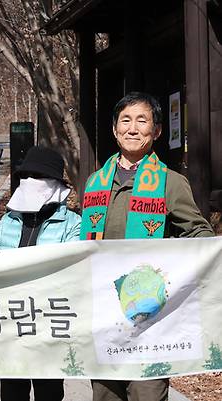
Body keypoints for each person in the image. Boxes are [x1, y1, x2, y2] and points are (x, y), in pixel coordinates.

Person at [82, 92, 214, 401]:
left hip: (151, 317)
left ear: (156, 132)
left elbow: (198, 232)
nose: (132, 128)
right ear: (114, 130)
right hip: (104, 315)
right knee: (105, 395)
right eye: (125, 121)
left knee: (148, 395)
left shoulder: (170, 182)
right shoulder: (94, 183)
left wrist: (178, 259)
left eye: (142, 121)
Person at [0, 146, 81, 401]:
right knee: (12, 391)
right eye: (26, 176)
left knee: (48, 391)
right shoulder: (9, 221)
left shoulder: (73, 225)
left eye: (38, 177)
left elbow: (71, 269)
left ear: (54, 183)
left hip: (48, 323)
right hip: (12, 320)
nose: (31, 182)